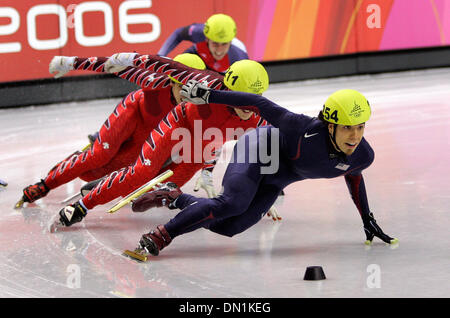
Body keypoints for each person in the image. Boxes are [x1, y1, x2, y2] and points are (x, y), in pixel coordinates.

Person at [128, 82, 398, 257]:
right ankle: (161, 236)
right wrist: (207, 95)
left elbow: (353, 176)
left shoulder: (363, 155)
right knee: (233, 203)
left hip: (276, 180)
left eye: (361, 126)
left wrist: (367, 218)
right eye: (348, 127)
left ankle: (173, 196)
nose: (355, 136)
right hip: (259, 150)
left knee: (230, 227)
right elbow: (257, 103)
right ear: (330, 125)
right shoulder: (301, 128)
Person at [52, 57, 282, 229]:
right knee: (142, 172)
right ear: (228, 88)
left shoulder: (260, 116)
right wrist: (72, 62)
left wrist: (262, 193)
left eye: (254, 98)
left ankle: (109, 182)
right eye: (240, 97)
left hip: (201, 145)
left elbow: (261, 159)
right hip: (179, 122)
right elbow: (150, 62)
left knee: (164, 189)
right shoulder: (205, 82)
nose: (248, 106)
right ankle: (82, 206)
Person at [16, 53, 220, 208]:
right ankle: (45, 184)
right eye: (182, 88)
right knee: (100, 155)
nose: (187, 96)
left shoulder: (203, 101)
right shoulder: (153, 81)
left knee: (94, 174)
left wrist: (207, 170)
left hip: (153, 133)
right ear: (171, 81)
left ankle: (100, 178)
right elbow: (113, 65)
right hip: (134, 113)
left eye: (192, 89)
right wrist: (71, 62)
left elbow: (215, 134)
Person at [158, 13, 248, 73]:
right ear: (207, 39)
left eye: (224, 44)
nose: (219, 50)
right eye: (215, 43)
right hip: (199, 55)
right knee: (177, 67)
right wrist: (160, 56)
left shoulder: (239, 57)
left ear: (231, 41)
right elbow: (178, 34)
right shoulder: (199, 32)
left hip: (223, 72)